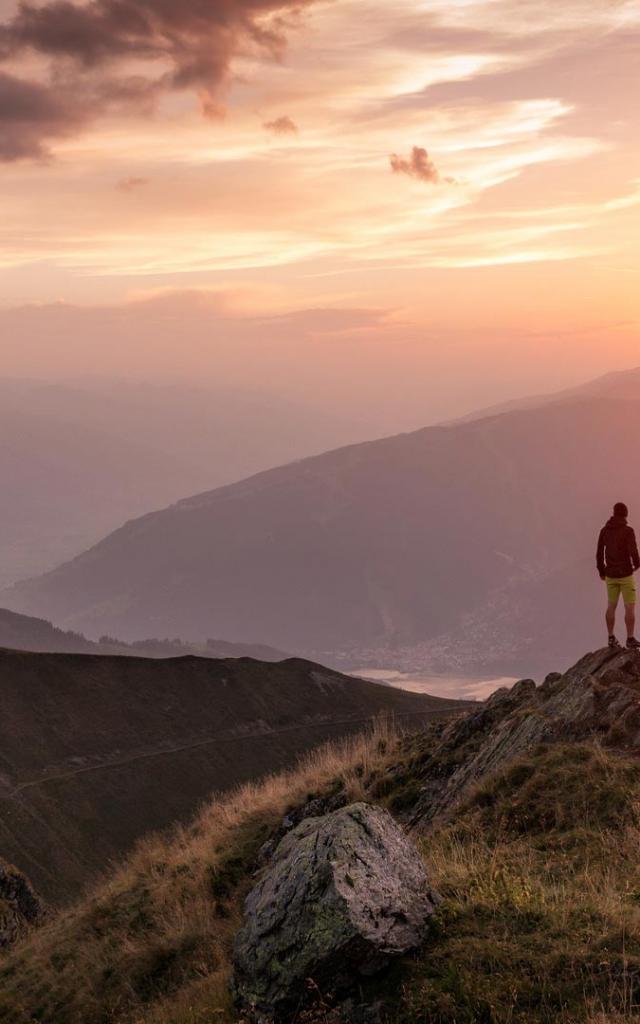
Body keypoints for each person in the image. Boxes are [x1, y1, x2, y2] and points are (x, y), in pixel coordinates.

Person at [597, 502, 640, 650]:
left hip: (610, 575)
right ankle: (630, 638)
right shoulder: (628, 531)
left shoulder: (604, 531)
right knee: (629, 607)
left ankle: (611, 637)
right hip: (626, 574)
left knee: (611, 606)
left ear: (614, 513)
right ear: (625, 514)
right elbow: (633, 551)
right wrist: (637, 564)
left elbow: (599, 553)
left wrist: (602, 571)